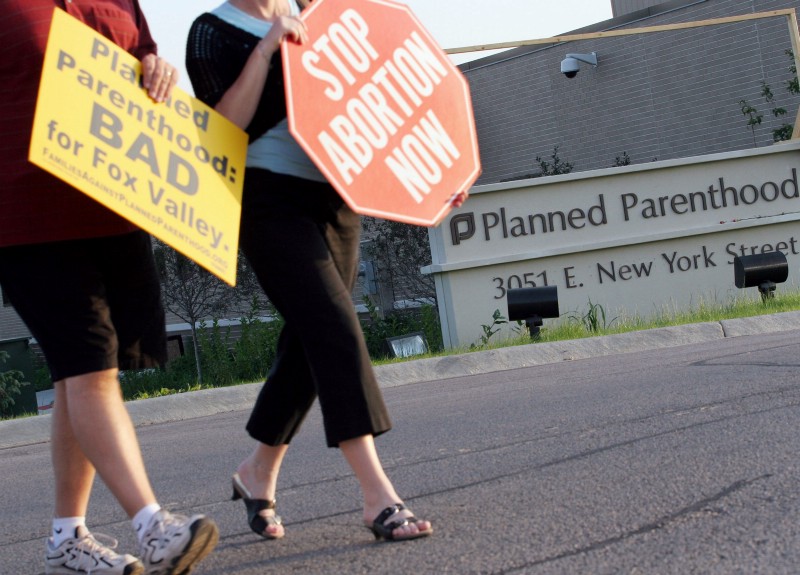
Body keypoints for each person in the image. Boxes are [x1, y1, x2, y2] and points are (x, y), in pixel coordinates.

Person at [186, 0, 466, 543]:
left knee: (308, 344)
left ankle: (256, 473)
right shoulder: (212, 32)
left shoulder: (324, 14)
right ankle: (377, 496)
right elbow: (221, 128)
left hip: (338, 194)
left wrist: (439, 169)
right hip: (267, 201)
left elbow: (387, 97)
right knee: (335, 330)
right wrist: (267, 49)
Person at [0, 2, 219, 574]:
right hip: (27, 214)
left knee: (82, 373)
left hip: (114, 203)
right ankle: (153, 526)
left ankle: (66, 538)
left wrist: (156, 67)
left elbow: (141, 56)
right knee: (91, 366)